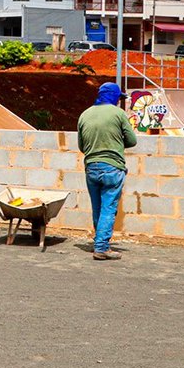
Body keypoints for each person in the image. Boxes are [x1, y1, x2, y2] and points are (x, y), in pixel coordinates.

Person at [76, 81, 138, 261]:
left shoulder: (84, 115)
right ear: (114, 97)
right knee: (109, 208)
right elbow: (132, 140)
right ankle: (102, 247)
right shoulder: (118, 114)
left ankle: (99, 242)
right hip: (112, 167)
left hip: (91, 168)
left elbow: (82, 146)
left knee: (98, 208)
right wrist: (116, 143)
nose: (119, 101)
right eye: (119, 98)